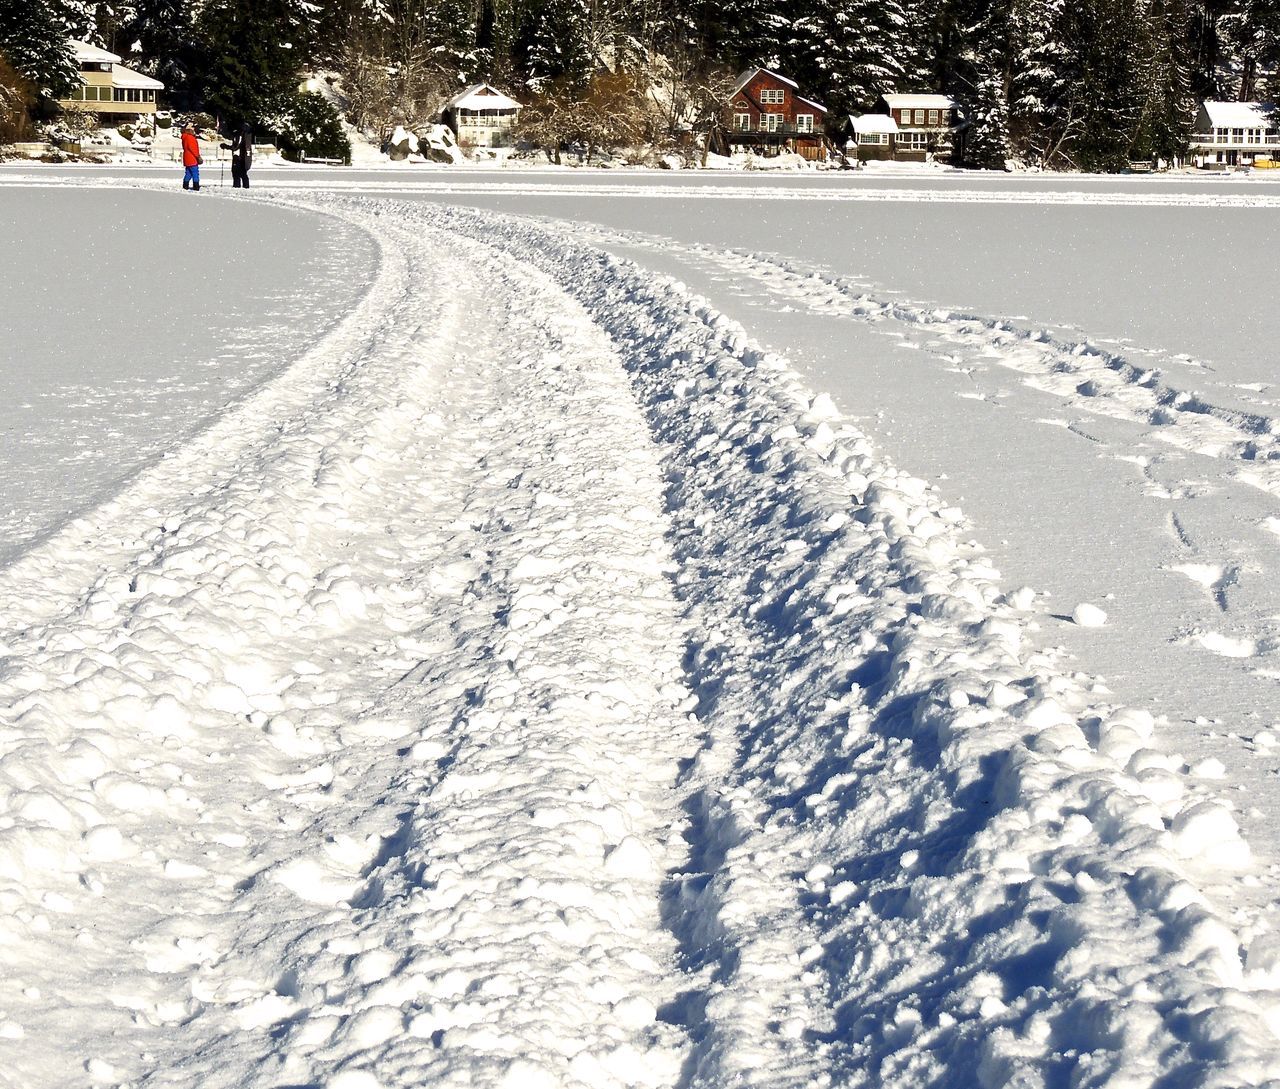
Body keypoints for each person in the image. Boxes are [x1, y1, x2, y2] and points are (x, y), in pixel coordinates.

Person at [221, 122, 253, 189]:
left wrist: (226, 146)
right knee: (242, 173)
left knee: (236, 173)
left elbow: (236, 147)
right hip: (244, 157)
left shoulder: (240, 135)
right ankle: (245, 187)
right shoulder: (247, 135)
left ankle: (237, 186)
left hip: (238, 156)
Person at [180, 122, 202, 191]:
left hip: (186, 157)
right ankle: (196, 186)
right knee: (195, 172)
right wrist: (198, 156)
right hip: (192, 158)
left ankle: (185, 185)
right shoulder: (190, 138)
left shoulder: (185, 137)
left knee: (188, 172)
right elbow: (193, 148)